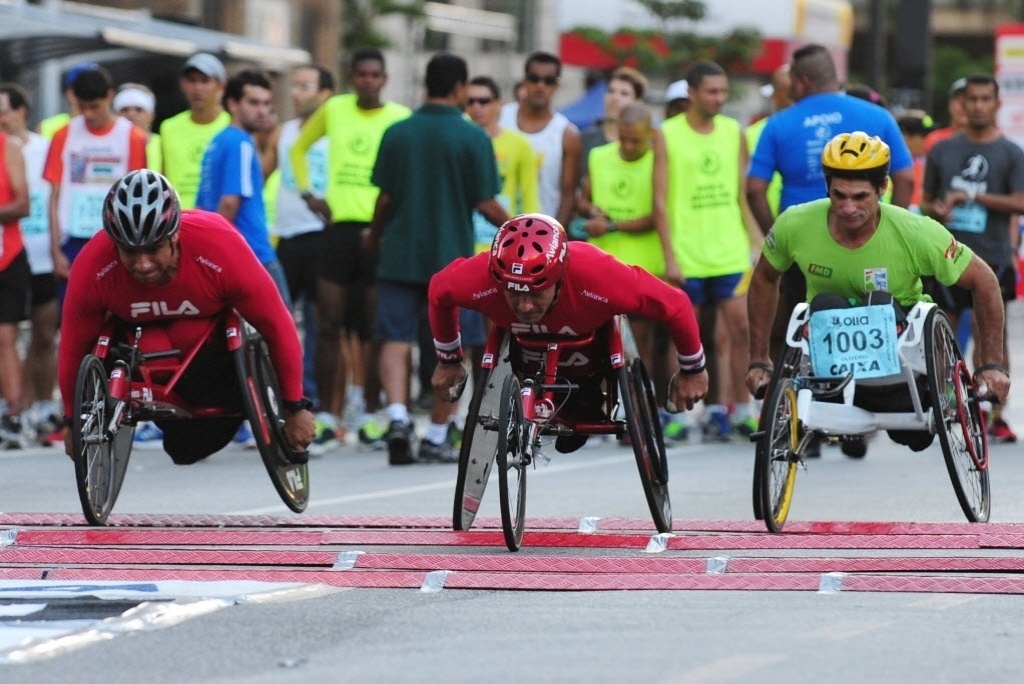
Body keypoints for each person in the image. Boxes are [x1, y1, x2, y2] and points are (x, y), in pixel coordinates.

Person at [745, 132, 1010, 454]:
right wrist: (759, 358)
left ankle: (885, 400)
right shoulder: (796, 223)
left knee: (880, 307)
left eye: (860, 197)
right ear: (827, 186)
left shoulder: (915, 231)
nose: (848, 208)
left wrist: (991, 364)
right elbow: (763, 279)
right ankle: (837, 401)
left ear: (882, 188)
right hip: (827, 353)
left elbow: (985, 281)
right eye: (838, 196)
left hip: (901, 357)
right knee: (828, 304)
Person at [58, 170, 315, 464]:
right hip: (137, 355)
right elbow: (73, 347)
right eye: (130, 252)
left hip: (211, 361)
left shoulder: (219, 245)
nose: (142, 264)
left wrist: (295, 404)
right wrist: (71, 420)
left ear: (174, 235)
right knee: (183, 449)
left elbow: (277, 325)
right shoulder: (94, 264)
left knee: (186, 449)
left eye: (153, 250)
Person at [428, 213, 709, 454]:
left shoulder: (598, 274)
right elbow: (438, 292)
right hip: (522, 351)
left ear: (561, 277)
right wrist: (449, 359)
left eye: (537, 293)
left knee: (585, 397)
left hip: (589, 354)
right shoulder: (480, 276)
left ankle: (583, 407)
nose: (525, 305)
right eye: (514, 292)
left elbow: (675, 304)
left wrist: (692, 369)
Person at [367, 52, 508, 465]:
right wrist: (522, 227)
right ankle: (438, 434)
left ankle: (396, 416)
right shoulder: (472, 138)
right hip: (452, 263)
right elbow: (485, 202)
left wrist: (375, 238)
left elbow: (385, 198)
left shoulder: (397, 132)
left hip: (399, 251)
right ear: (461, 88)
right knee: (454, 349)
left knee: (395, 338)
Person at [290, 48, 411, 450]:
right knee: (329, 324)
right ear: (351, 77)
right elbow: (297, 148)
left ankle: (374, 413)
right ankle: (326, 413)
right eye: (360, 74)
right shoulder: (335, 108)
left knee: (375, 326)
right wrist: (310, 193)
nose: (368, 81)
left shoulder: (399, 119)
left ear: (385, 78)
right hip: (339, 229)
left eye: (375, 75)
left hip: (380, 232)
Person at [654, 59, 761, 441]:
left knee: (740, 330)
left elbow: (741, 195)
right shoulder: (667, 133)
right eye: (712, 92)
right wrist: (670, 255)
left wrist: (755, 239)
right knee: (686, 334)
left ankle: (736, 410)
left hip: (729, 250)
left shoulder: (734, 131)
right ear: (693, 93)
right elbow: (661, 201)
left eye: (723, 92)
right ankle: (679, 415)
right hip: (688, 253)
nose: (720, 99)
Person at [921, 73, 1024, 443]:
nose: (978, 105)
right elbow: (924, 200)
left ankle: (995, 412)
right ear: (961, 105)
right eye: (972, 99)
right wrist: (938, 209)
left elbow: (1020, 202)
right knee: (944, 335)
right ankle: (949, 404)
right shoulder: (942, 150)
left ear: (997, 104)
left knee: (990, 335)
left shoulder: (1011, 152)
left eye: (986, 99)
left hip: (994, 255)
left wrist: (975, 197)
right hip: (948, 254)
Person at [265, 64, 334, 448]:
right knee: (283, 321)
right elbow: (265, 172)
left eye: (306, 86)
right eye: (295, 86)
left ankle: (325, 406)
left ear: (325, 92)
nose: (297, 93)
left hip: (324, 234)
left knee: (325, 326)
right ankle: (287, 399)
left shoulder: (334, 131)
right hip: (289, 235)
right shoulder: (286, 131)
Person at [43, 66, 148, 287]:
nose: (88, 113)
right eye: (82, 107)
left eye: (94, 106)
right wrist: (55, 250)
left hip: (116, 239)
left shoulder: (132, 137)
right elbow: (54, 196)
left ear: (109, 96)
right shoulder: (63, 135)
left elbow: (137, 196)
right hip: (72, 240)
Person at [196, 69, 289, 306]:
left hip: (226, 258)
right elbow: (229, 202)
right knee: (283, 336)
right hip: (253, 254)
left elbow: (201, 205)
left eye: (267, 103)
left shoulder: (217, 141)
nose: (262, 111)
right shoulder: (240, 143)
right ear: (232, 103)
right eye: (254, 102)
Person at [0, 83, 60, 444]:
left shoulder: (21, 148)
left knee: (31, 336)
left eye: (5, 109)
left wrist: (56, 248)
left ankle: (25, 411)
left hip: (24, 254)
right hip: (25, 254)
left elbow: (30, 203)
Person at [499, 51, 581, 228]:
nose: (540, 86)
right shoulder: (500, 119)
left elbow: (568, 196)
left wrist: (554, 238)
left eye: (548, 81)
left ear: (557, 85)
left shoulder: (567, 135)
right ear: (524, 81)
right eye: (534, 79)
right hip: (495, 230)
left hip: (540, 233)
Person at [160, 53, 230, 209]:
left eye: (205, 81)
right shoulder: (168, 127)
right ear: (182, 84)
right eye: (192, 81)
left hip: (216, 220)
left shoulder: (231, 127)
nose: (197, 88)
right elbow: (163, 179)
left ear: (221, 86)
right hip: (178, 220)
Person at [0, 107, 30, 447]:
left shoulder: (8, 147)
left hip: (7, 256)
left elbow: (23, 205)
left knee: (6, 337)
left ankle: (14, 415)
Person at [39, 62, 97, 140]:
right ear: (71, 94)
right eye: (85, 88)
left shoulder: (115, 125)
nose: (93, 92)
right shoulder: (49, 127)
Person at [114, 83, 162, 173]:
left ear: (151, 116)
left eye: (139, 109)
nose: (131, 114)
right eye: (124, 109)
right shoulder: (110, 143)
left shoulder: (162, 144)